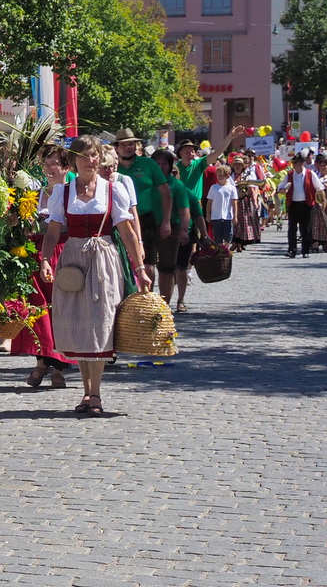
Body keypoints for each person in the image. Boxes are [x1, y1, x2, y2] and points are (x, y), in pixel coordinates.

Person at [38, 135, 151, 417]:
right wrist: (45, 260)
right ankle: (86, 390)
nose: (91, 160)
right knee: (78, 321)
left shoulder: (113, 190)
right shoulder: (63, 193)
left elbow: (127, 233)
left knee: (101, 322)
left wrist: (140, 270)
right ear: (74, 160)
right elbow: (52, 232)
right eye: (85, 155)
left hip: (104, 258)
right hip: (73, 258)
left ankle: (96, 392)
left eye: (95, 155)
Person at [12, 142, 73, 390]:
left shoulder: (72, 193)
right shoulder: (35, 194)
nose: (49, 168)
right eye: (46, 164)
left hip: (63, 252)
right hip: (36, 254)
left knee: (61, 309)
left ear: (66, 167)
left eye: (54, 164)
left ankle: (57, 368)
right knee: (38, 309)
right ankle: (42, 361)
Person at [107, 130, 167, 289]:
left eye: (131, 144)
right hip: (117, 221)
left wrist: (166, 220)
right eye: (123, 144)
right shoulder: (110, 167)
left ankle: (147, 296)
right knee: (121, 261)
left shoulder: (149, 164)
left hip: (145, 218)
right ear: (116, 147)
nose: (128, 147)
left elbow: (165, 192)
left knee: (148, 264)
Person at [156, 151, 203, 312]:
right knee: (165, 269)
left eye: (175, 173)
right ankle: (163, 303)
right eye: (173, 173)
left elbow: (196, 214)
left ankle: (180, 299)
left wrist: (203, 235)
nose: (173, 175)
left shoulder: (182, 189)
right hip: (159, 231)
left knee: (180, 268)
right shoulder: (153, 185)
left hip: (182, 233)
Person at [285, 153, 319, 257]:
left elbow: (319, 187)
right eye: (293, 162)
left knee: (306, 229)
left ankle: (305, 250)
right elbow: (281, 187)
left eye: (295, 162)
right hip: (293, 204)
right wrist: (282, 190)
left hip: (306, 204)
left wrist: (318, 198)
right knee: (292, 229)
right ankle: (292, 250)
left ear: (301, 163)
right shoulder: (290, 175)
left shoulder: (310, 174)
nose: (293, 165)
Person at [205, 164, 237, 246]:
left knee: (228, 237)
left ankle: (226, 250)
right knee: (217, 238)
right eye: (217, 175)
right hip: (216, 217)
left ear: (227, 175)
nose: (219, 177)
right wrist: (208, 215)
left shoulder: (232, 188)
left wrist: (235, 216)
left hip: (228, 216)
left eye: (221, 175)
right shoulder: (213, 187)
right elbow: (209, 202)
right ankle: (220, 251)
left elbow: (234, 203)